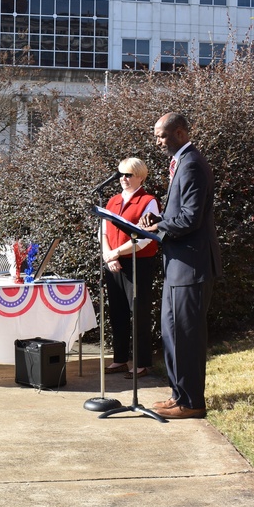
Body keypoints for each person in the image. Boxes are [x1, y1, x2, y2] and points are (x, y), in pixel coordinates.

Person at [140, 112, 222, 420]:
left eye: (162, 135)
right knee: (172, 332)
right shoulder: (181, 163)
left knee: (187, 336)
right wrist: (159, 220)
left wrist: (157, 228)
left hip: (193, 266)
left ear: (180, 133)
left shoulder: (191, 164)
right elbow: (182, 214)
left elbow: (191, 218)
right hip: (178, 265)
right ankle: (179, 395)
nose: (158, 141)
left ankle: (192, 402)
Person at [101, 157, 160, 379]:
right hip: (113, 262)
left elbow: (145, 237)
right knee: (117, 311)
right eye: (120, 175)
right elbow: (103, 231)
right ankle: (120, 359)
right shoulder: (112, 200)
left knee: (139, 311)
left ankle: (142, 363)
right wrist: (109, 256)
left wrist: (117, 252)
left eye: (129, 175)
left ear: (141, 177)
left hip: (138, 263)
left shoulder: (148, 201)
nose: (123, 179)